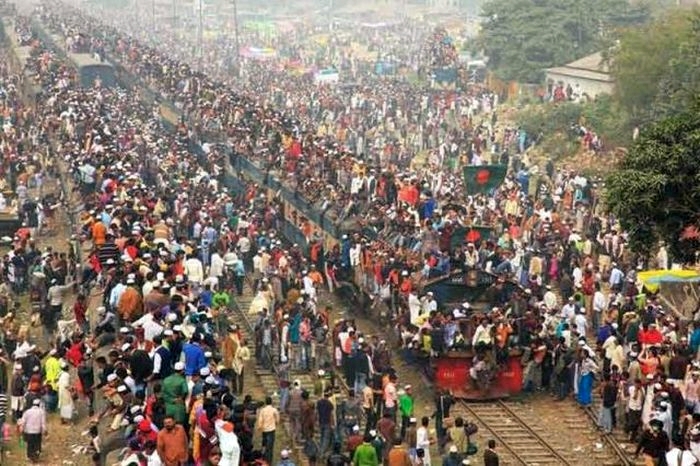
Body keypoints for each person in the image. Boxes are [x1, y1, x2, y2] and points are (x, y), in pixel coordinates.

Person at [19, 398, 46, 463]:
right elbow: (43, 423)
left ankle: (30, 457)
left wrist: (21, 429)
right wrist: (44, 431)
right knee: (37, 444)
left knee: (30, 444)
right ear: (39, 405)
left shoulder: (27, 412)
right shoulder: (41, 412)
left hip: (28, 431)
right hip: (37, 432)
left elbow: (23, 422)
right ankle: (36, 456)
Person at [257, 396, 280, 465]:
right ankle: (269, 461)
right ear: (271, 402)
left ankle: (263, 458)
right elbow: (277, 418)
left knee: (264, 444)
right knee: (270, 446)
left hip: (264, 429)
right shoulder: (274, 410)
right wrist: (276, 423)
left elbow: (260, 420)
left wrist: (260, 427)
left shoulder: (262, 410)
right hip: (271, 429)